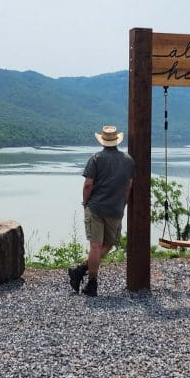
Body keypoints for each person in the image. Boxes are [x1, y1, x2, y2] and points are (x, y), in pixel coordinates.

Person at [68, 125, 135, 296]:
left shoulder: (96, 158)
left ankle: (89, 280)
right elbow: (128, 187)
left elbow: (88, 184)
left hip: (96, 207)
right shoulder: (128, 160)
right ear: (116, 141)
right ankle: (82, 273)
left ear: (103, 141)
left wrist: (85, 202)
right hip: (116, 208)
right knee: (108, 244)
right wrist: (123, 204)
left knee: (95, 246)